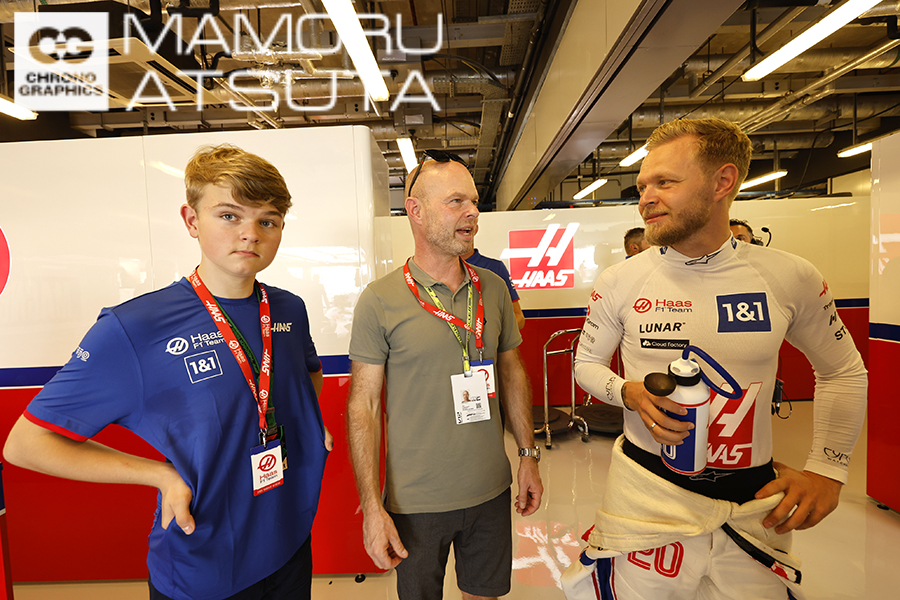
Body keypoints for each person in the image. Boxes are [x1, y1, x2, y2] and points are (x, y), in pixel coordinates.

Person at [3, 144, 332, 600]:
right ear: (191, 220)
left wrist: (309, 424)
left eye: (268, 221)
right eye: (229, 216)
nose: (250, 234)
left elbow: (306, 375)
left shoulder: (288, 309)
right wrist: (159, 475)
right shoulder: (134, 328)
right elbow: (26, 444)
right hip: (204, 561)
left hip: (288, 540)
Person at [568, 118, 867, 599]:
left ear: (722, 182)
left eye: (665, 183)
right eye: (643, 186)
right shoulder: (620, 280)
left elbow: (843, 371)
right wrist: (627, 392)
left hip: (755, 503)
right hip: (645, 495)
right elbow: (586, 364)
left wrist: (828, 469)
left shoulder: (790, 276)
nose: (646, 198)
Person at [346, 149, 543, 600]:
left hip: (491, 490)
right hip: (416, 501)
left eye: (473, 201)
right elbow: (364, 405)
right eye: (456, 202)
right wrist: (372, 507)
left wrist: (528, 454)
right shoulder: (380, 300)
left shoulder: (493, 288)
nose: (472, 212)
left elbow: (511, 371)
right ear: (415, 211)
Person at [462, 225, 526, 330]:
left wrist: (492, 335)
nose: (462, 234)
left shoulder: (495, 268)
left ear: (475, 229)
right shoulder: (438, 269)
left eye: (466, 230)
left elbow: (518, 317)